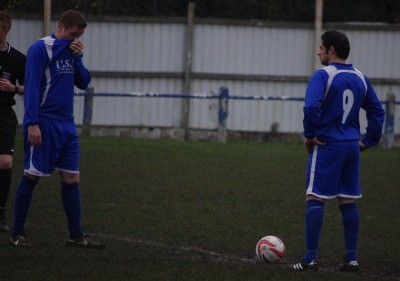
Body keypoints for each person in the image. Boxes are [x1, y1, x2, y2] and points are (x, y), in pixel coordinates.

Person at [10, 10, 104, 249]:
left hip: (67, 125)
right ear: (61, 26)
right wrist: (32, 123)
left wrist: (79, 57)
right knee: (32, 175)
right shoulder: (41, 49)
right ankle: (16, 233)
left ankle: (76, 236)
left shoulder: (72, 50)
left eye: (80, 36)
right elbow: (31, 87)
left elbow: (83, 82)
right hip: (45, 122)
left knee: (72, 177)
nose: (76, 39)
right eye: (74, 33)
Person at [292, 30, 385, 272]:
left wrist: (310, 136)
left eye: (321, 48)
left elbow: (311, 107)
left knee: (314, 198)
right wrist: (367, 141)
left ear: (331, 50)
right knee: (347, 200)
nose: (318, 52)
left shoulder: (322, 75)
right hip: (351, 146)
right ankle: (351, 260)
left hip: (327, 145)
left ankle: (310, 259)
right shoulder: (360, 77)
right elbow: (377, 111)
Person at [0, 11, 26, 232]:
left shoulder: (17, 58)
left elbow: (31, 89)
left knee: (5, 162)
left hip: (4, 115)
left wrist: (13, 88)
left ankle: (0, 213)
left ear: (6, 30)